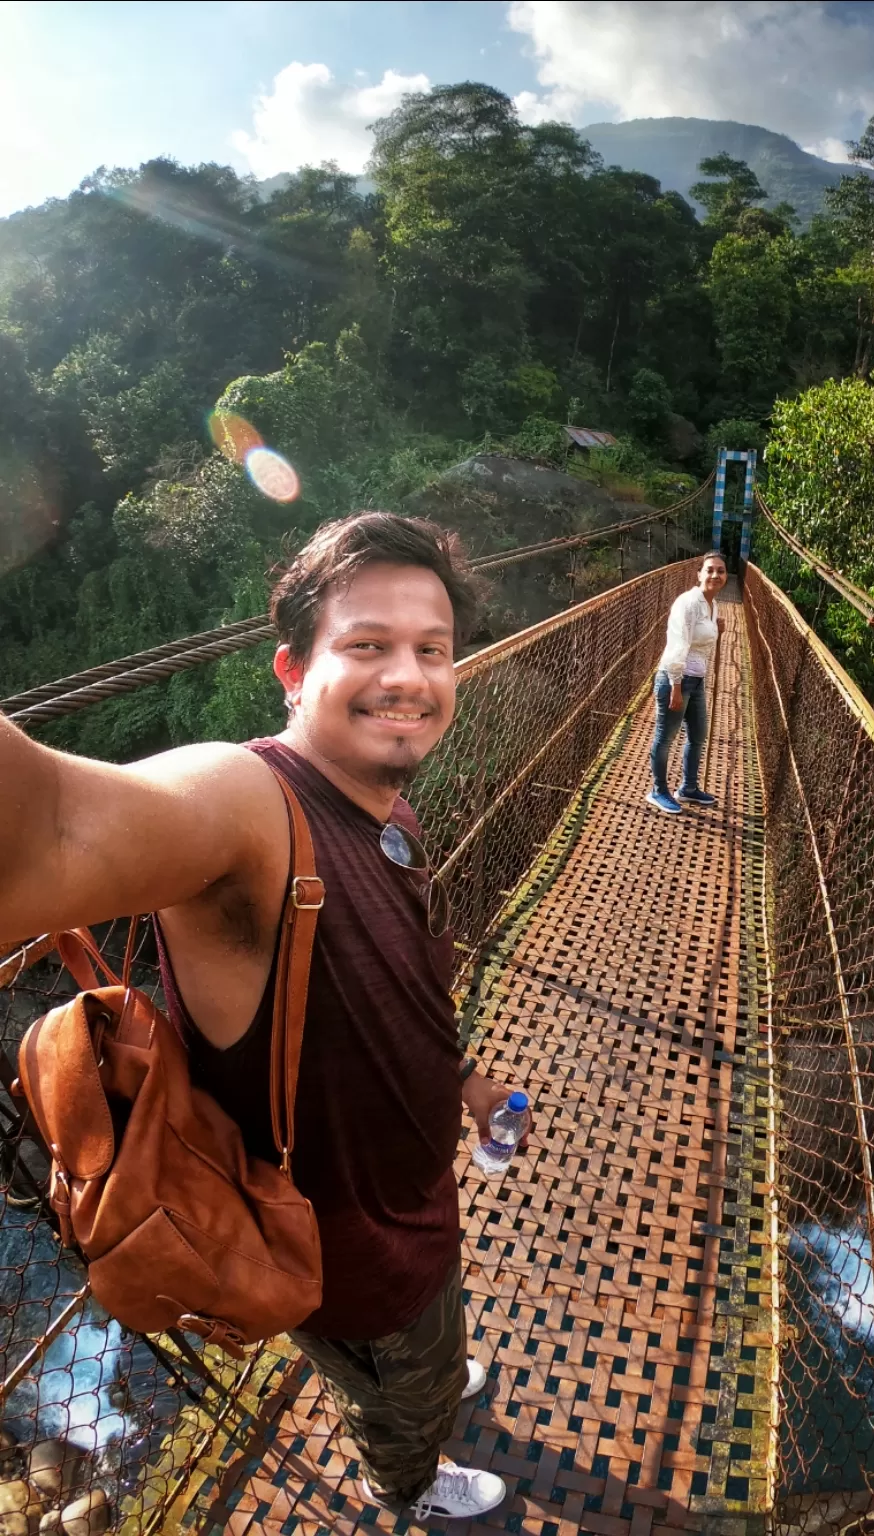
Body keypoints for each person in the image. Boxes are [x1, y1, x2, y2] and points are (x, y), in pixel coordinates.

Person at [0, 512, 525, 1524]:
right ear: (291, 671)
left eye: (434, 650)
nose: (409, 677)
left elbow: (395, 986)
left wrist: (464, 1083)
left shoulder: (389, 810)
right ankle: (405, 1475)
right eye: (366, 646)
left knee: (420, 1347)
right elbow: (44, 836)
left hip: (413, 1197)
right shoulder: (250, 806)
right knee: (400, 1382)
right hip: (348, 1258)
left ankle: (417, 1379)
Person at [646, 552, 727, 816]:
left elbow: (700, 638)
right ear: (699, 574)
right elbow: (677, 647)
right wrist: (677, 688)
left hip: (697, 680)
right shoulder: (689, 603)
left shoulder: (711, 604)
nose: (715, 575)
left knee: (698, 735)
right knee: (665, 737)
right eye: (710, 570)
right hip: (675, 681)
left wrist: (718, 628)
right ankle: (658, 791)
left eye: (721, 571)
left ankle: (688, 788)